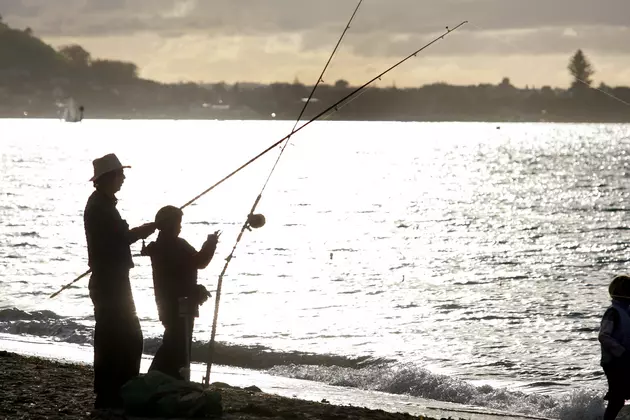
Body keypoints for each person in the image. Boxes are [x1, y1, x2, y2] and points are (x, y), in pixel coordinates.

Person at [83, 153, 156, 410]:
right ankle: (114, 391)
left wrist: (140, 231)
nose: (123, 178)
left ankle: (114, 390)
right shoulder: (101, 207)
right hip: (110, 281)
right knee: (125, 337)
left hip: (109, 279)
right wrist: (146, 229)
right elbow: (121, 237)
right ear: (108, 178)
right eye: (119, 174)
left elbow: (116, 238)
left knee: (115, 336)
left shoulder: (102, 204)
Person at [142, 205, 219, 380]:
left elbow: (192, 264)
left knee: (174, 341)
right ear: (169, 225)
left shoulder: (161, 246)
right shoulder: (173, 245)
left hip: (169, 302)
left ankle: (162, 378)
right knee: (177, 343)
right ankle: (158, 377)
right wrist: (211, 243)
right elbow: (199, 262)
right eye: (177, 223)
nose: (180, 227)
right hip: (180, 303)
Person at [599, 274, 630, 420]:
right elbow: (603, 336)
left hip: (625, 360)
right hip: (614, 362)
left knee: (621, 396)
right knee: (617, 399)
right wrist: (620, 351)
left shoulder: (626, 312)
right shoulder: (613, 312)